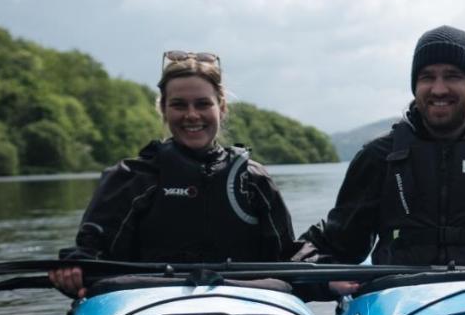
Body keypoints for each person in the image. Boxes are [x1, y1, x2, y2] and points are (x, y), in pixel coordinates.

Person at [295, 26, 465, 292]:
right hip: (395, 303)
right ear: (415, 85)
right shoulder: (379, 158)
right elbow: (335, 246)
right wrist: (323, 281)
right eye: (427, 76)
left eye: (452, 76)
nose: (439, 89)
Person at [49, 51, 297, 298]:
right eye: (179, 105)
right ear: (163, 110)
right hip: (146, 305)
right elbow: (93, 253)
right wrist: (75, 269)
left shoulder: (254, 180)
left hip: (245, 306)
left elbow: (287, 258)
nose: (191, 115)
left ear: (221, 108)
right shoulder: (130, 178)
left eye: (202, 104)